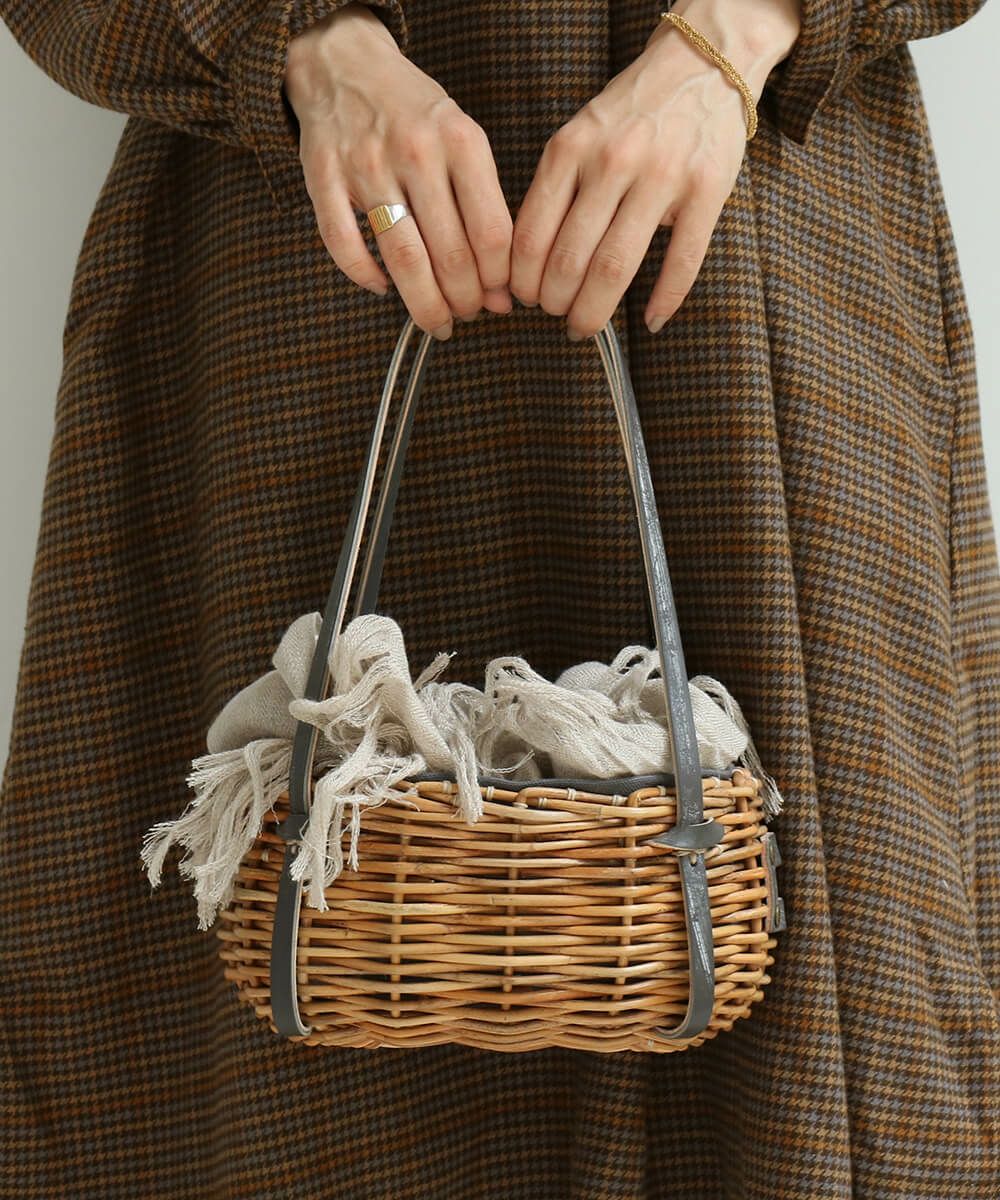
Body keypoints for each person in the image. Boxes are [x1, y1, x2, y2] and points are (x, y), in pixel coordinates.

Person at [0, 0, 996, 1196]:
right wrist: (306, 46)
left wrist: (734, 35)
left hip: (744, 257)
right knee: (293, 1076)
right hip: (308, 254)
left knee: (815, 1066)